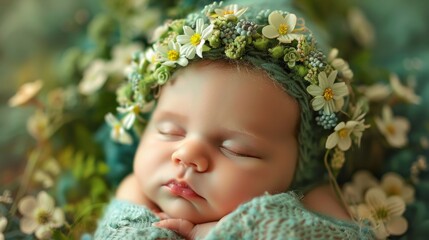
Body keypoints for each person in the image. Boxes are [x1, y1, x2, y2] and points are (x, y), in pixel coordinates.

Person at [95, 1, 374, 239]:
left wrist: (216, 232)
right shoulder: (137, 191)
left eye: (236, 149)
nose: (187, 154)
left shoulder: (315, 197)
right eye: (170, 131)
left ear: (301, 166)